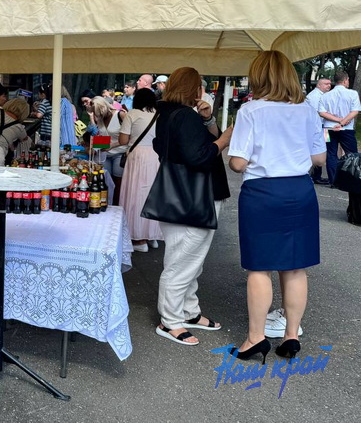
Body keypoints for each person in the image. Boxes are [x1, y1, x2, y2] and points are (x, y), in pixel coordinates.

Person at [227, 51, 326, 362]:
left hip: (263, 192)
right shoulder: (307, 110)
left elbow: (238, 163)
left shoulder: (250, 111)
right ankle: (291, 335)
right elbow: (319, 158)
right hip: (300, 189)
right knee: (295, 265)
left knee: (260, 266)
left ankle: (255, 338)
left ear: (259, 77)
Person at [152, 67, 233, 346]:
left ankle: (188, 311)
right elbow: (199, 156)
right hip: (193, 197)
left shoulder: (169, 113)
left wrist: (209, 120)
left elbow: (170, 148)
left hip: (181, 196)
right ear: (193, 88)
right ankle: (170, 320)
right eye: (199, 84)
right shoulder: (184, 115)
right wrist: (224, 140)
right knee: (183, 261)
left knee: (190, 260)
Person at [118, 88, 162, 252]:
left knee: (135, 196)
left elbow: (123, 140)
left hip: (137, 157)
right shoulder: (159, 114)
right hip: (155, 156)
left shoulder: (132, 114)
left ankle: (139, 239)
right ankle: (152, 236)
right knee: (151, 196)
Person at [318, 71, 361, 186]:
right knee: (352, 154)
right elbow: (355, 111)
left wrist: (337, 120)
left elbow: (321, 113)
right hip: (346, 129)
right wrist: (342, 122)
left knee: (330, 154)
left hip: (327, 129)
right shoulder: (352, 93)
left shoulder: (325, 96)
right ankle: (352, 179)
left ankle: (333, 181)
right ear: (345, 80)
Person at [91, 97, 125, 205]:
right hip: (105, 154)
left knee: (117, 182)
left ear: (103, 108)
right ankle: (106, 203)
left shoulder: (120, 115)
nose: (97, 117)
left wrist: (113, 145)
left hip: (120, 153)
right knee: (104, 180)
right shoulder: (100, 119)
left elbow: (130, 136)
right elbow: (103, 136)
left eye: (98, 114)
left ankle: (116, 204)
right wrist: (94, 148)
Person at [306, 78, 332, 184]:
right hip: (319, 127)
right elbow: (316, 113)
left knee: (324, 147)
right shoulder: (314, 96)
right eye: (326, 84)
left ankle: (317, 175)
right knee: (319, 149)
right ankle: (315, 176)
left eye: (330, 84)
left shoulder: (322, 95)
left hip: (324, 127)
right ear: (319, 85)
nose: (329, 86)